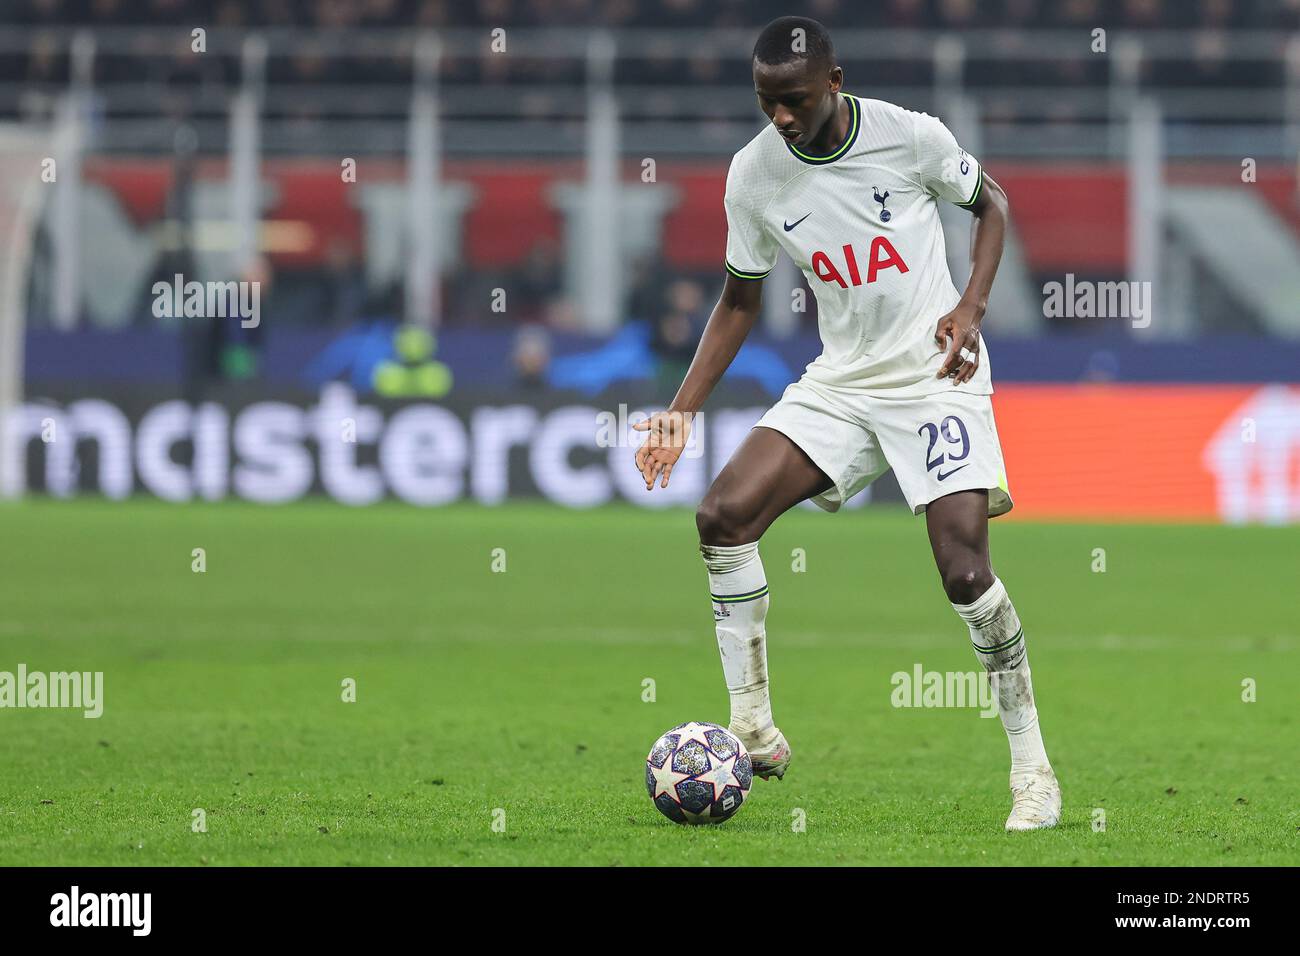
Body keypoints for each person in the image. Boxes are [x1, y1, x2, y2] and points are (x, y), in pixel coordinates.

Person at [633, 16, 1060, 831]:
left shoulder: (909, 137)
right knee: (722, 517)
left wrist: (970, 308)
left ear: (833, 82)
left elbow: (990, 203)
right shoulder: (753, 175)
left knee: (965, 575)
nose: (781, 119)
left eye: (793, 101)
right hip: (843, 384)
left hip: (937, 376)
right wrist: (679, 413)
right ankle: (751, 723)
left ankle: (1033, 771)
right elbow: (739, 299)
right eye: (766, 103)